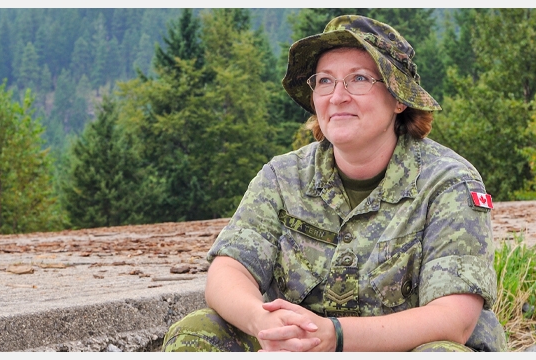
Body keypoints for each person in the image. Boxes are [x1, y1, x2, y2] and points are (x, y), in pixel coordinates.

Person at [161, 14, 507, 352]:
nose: (337, 96)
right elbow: (228, 271)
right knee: (197, 332)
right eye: (325, 80)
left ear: (399, 98)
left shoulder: (447, 183)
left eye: (358, 79)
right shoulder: (283, 177)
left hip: (399, 350)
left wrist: (336, 336)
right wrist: (262, 323)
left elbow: (453, 320)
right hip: (299, 350)